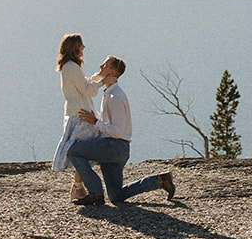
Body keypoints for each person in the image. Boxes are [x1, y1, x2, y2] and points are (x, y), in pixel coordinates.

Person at [67, 55, 175, 206]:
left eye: (104, 65)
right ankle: (160, 180)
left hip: (114, 146)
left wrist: (96, 122)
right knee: (116, 196)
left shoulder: (115, 96)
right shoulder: (109, 93)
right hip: (118, 150)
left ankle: (95, 192)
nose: (100, 66)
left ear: (113, 72)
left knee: (73, 151)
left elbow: (117, 131)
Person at [52, 34, 102, 178]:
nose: (84, 47)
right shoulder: (72, 67)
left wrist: (99, 76)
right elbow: (86, 90)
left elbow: (83, 83)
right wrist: (102, 82)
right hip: (81, 114)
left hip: (76, 111)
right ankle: (78, 186)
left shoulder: (69, 66)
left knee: (80, 151)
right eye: (81, 44)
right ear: (75, 47)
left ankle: (78, 187)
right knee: (82, 152)